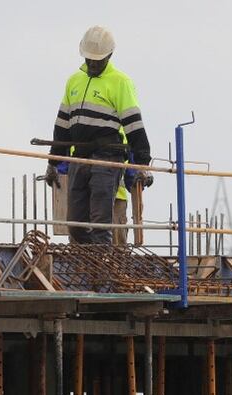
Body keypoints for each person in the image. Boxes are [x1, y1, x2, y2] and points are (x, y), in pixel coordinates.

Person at [44, 25, 152, 244]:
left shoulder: (120, 82)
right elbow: (62, 125)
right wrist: (53, 162)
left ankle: (102, 274)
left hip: (107, 158)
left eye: (97, 60)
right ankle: (85, 268)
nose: (92, 64)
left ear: (109, 56)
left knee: (101, 224)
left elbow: (133, 124)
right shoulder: (74, 81)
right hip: (79, 157)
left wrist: (142, 163)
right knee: (75, 224)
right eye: (89, 59)